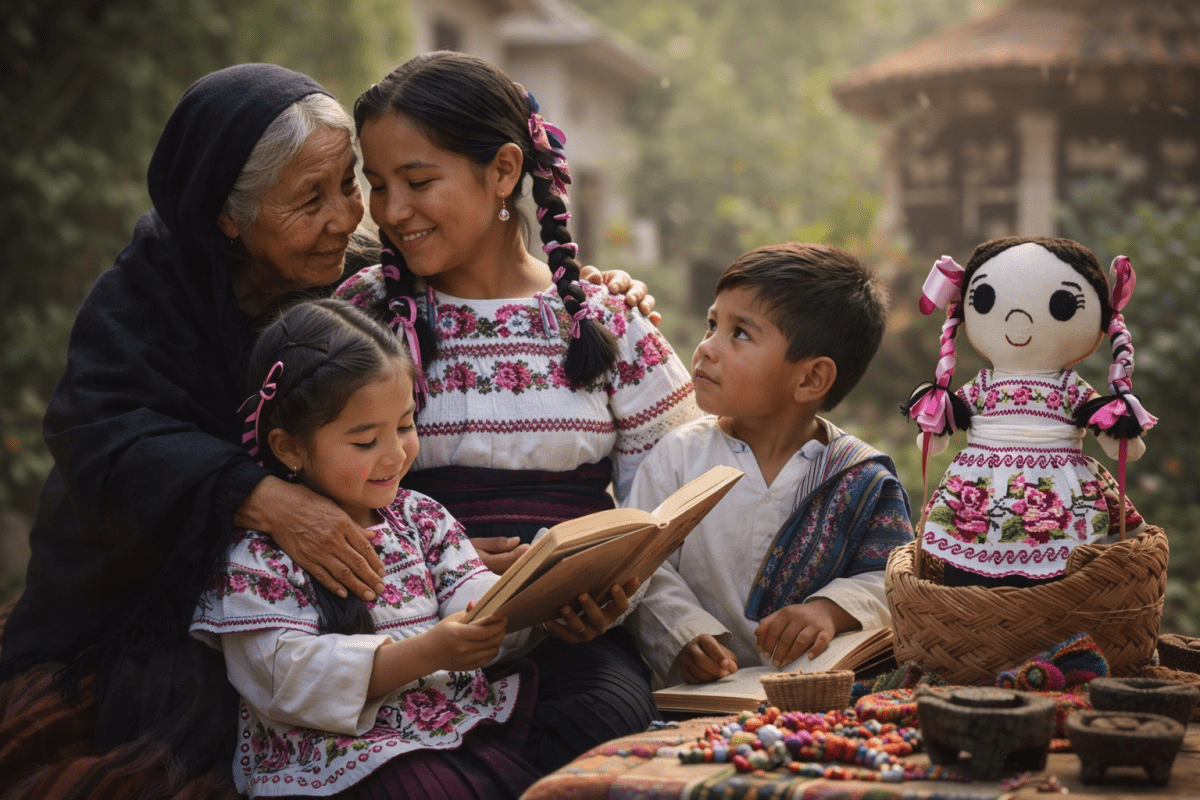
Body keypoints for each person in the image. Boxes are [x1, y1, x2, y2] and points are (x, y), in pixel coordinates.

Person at [0, 63, 653, 797]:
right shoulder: (146, 300)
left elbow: (489, 283)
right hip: (194, 605)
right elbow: (103, 434)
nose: (349, 218)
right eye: (311, 200)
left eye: (347, 184)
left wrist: (595, 294)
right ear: (228, 216)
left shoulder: (364, 283)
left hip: (400, 610)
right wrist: (262, 498)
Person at [334, 51, 701, 767]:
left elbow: (676, 495)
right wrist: (430, 561)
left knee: (600, 733)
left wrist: (614, 587)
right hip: (396, 634)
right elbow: (302, 480)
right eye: (376, 185)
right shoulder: (361, 318)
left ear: (504, 171)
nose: (391, 211)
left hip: (569, 647)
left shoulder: (606, 324)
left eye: (417, 181)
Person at [193, 298, 618, 798]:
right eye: (364, 441)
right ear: (289, 447)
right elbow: (283, 677)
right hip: (334, 758)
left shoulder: (420, 517)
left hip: (442, 727)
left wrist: (534, 599)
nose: (395, 455)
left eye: (404, 425)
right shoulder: (257, 556)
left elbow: (470, 593)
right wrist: (424, 653)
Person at [624, 243, 914, 687]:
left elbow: (891, 578)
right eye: (712, 324)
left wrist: (830, 610)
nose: (706, 349)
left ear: (811, 378)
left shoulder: (859, 477)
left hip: (811, 696)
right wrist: (683, 636)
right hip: (695, 693)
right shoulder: (678, 456)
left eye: (740, 333)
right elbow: (643, 568)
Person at [902, 237, 1152, 588]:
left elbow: (1100, 417)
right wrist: (936, 424)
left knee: (1072, 570)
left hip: (1060, 486)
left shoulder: (1068, 386)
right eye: (986, 300)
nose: (1018, 320)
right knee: (967, 561)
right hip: (983, 484)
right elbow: (951, 416)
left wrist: (1117, 431)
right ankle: (974, 593)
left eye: (1062, 304)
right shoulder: (984, 385)